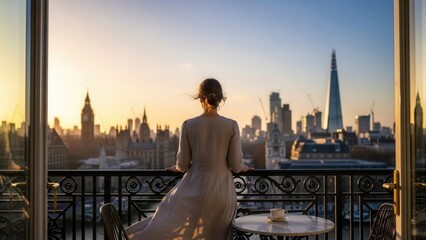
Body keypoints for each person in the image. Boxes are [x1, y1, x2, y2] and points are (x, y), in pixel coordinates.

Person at [129, 78, 253, 240]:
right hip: (222, 192)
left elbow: (182, 165)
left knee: (172, 226)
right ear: (221, 99)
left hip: (193, 190)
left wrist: (176, 169)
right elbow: (236, 166)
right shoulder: (231, 125)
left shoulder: (188, 125)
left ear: (200, 98)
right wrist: (243, 168)